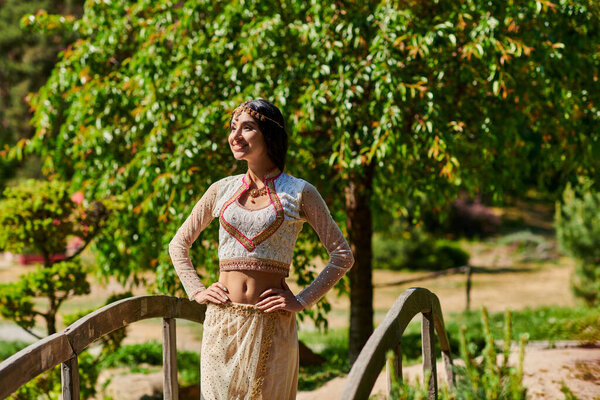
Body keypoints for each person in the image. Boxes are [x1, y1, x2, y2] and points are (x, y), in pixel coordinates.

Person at [168, 99, 354, 399]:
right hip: (221, 325)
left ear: (269, 134)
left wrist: (303, 300)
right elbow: (178, 244)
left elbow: (342, 255)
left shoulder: (299, 192)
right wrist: (197, 290)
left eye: (247, 127)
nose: (235, 136)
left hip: (271, 324)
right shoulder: (221, 189)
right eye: (232, 128)